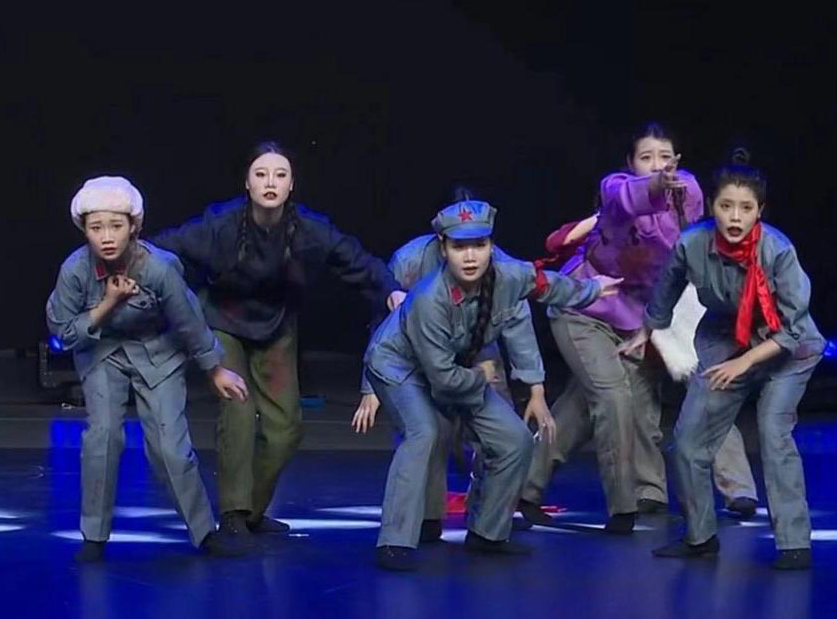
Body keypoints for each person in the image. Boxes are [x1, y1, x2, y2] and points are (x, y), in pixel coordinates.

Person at [151, 142, 404, 536]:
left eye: (280, 175)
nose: (270, 182)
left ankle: (252, 510)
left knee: (285, 428)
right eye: (261, 174)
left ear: (291, 185)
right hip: (223, 320)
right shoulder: (220, 224)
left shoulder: (310, 230)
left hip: (277, 326)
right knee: (237, 410)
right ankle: (234, 513)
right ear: (247, 183)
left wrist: (389, 289)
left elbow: (357, 261)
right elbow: (165, 249)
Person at [520, 123, 756, 534]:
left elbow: (693, 245)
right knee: (613, 397)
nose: (657, 165)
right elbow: (627, 197)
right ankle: (624, 507)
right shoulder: (615, 188)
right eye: (646, 158)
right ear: (630, 163)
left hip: (641, 316)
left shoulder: (688, 191)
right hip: (586, 308)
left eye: (665, 157)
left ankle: (523, 487)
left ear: (677, 160)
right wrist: (654, 185)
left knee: (582, 405)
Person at [362, 199, 621, 569]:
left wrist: (592, 289)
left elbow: (546, 285)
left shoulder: (507, 273)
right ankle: (395, 541)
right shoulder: (428, 299)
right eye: (459, 246)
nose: (471, 257)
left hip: (457, 368)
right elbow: (444, 382)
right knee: (424, 433)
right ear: (443, 249)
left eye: (479, 245)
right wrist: (482, 375)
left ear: (491, 246)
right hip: (400, 366)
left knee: (515, 439)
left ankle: (488, 532)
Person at [626, 150, 826, 569]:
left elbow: (792, 330)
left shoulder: (777, 251)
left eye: (746, 208)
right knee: (689, 440)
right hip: (724, 338)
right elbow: (666, 290)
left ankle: (794, 543)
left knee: (773, 432)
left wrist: (745, 363)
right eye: (726, 206)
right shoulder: (692, 243)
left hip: (786, 349)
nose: (735, 217)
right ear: (712, 207)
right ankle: (700, 537)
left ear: (760, 211)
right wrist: (647, 329)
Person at [46, 176, 250, 562]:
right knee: (103, 437)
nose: (107, 237)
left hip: (158, 352)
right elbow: (63, 332)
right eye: (96, 228)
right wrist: (108, 303)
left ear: (134, 227)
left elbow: (188, 319)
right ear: (84, 231)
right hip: (102, 352)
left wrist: (215, 369)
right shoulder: (74, 270)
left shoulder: (159, 268)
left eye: (116, 226)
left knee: (171, 448)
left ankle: (204, 532)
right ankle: (94, 535)